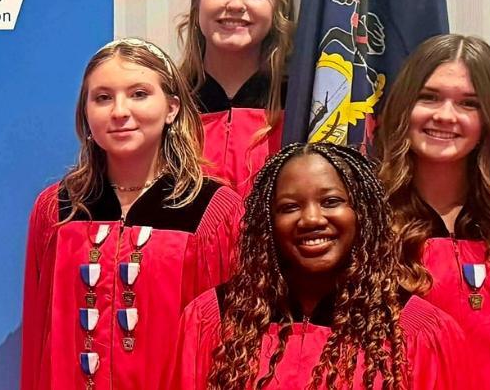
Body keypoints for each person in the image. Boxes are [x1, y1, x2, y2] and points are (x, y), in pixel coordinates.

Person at [20, 38, 245, 390]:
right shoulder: (58, 210)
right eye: (103, 97)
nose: (119, 111)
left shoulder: (212, 211)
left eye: (139, 94)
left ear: (171, 108)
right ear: (86, 112)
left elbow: (226, 341)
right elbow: (38, 337)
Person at [172, 142, 461, 390]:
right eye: (289, 207)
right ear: (268, 223)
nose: (311, 219)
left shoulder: (415, 330)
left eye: (331, 201)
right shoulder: (216, 318)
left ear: (363, 213)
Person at [374, 34, 490, 390]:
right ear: (403, 105)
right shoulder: (367, 223)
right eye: (429, 97)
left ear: (489, 119)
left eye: (468, 104)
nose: (445, 116)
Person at [174, 0, 294, 195]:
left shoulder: (302, 104)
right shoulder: (166, 104)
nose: (236, 3)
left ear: (279, 13)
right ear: (197, 5)